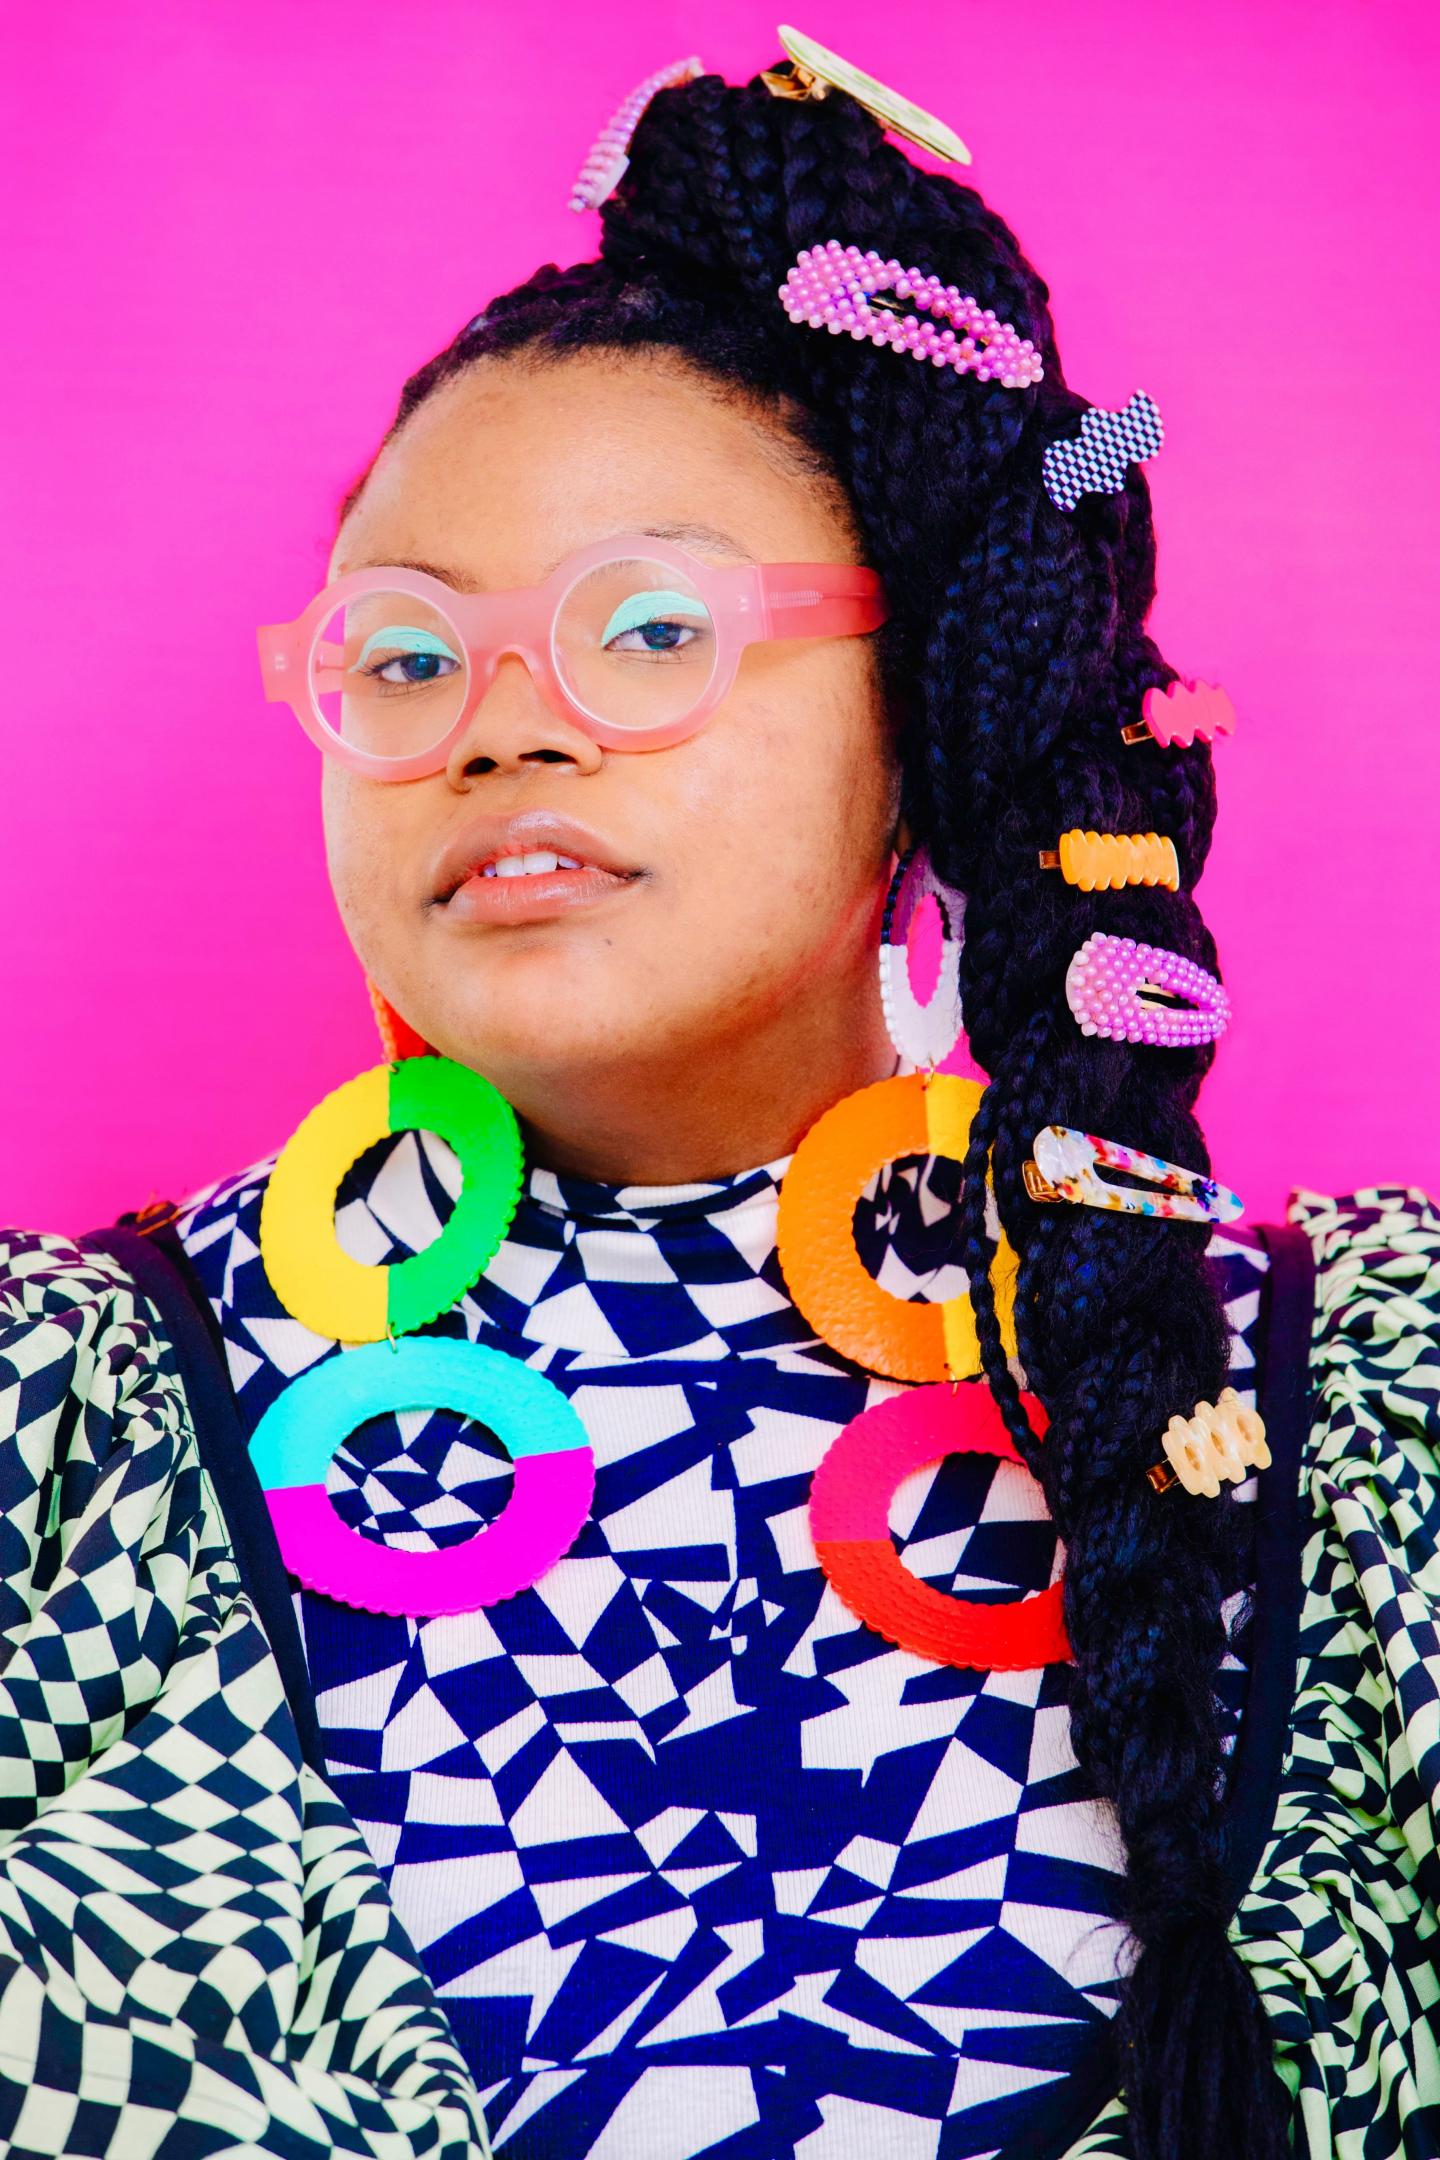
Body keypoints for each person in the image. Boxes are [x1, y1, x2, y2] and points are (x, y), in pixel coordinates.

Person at [2, 41, 1436, 2160]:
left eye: (644, 627)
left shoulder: (1355, 1404)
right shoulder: (68, 1422)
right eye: (404, 659)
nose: (498, 732)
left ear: (932, 712)